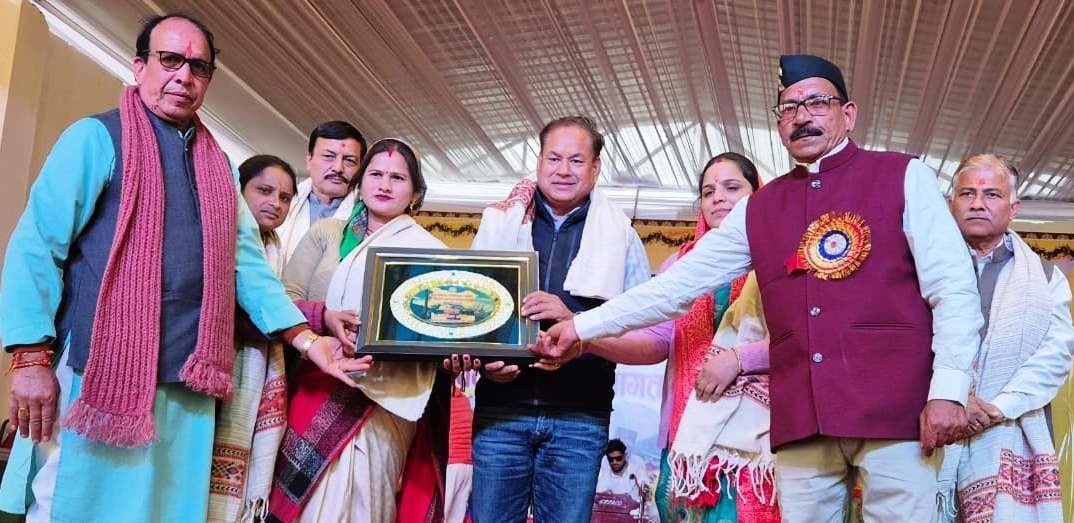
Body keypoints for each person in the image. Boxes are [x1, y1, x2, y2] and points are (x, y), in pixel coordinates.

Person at [538, 55, 983, 522]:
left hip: (895, 407)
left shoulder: (903, 176)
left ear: (848, 114)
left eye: (817, 102)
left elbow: (953, 287)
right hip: (803, 418)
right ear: (778, 125)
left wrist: (949, 390)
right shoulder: (761, 207)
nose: (802, 116)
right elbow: (677, 286)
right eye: (789, 108)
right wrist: (582, 326)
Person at [0, 14, 356, 523]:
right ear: (139, 66)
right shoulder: (96, 138)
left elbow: (247, 269)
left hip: (192, 380)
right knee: (78, 508)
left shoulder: (219, 168)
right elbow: (37, 246)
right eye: (169, 60)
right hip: (100, 374)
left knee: (168, 512)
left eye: (198, 67)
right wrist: (31, 357)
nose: (183, 76)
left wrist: (308, 340)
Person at [445, 115, 651, 522]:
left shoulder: (621, 235)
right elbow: (469, 315)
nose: (563, 170)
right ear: (538, 162)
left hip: (580, 418)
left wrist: (575, 321)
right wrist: (486, 364)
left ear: (596, 168)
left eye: (576, 160)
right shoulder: (500, 222)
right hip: (501, 411)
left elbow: (645, 340)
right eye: (554, 158)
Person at [268, 138, 446, 523]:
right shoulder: (329, 233)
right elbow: (282, 301)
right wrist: (325, 318)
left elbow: (440, 325)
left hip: (387, 396)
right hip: (319, 377)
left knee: (367, 495)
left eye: (398, 178)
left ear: (415, 192)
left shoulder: (432, 250)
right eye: (376, 174)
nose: (385, 184)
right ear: (360, 182)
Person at [937, 154, 1074, 522]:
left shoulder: (1044, 278)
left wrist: (996, 408)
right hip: (930, 422)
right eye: (967, 193)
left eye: (992, 194)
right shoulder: (920, 267)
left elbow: (1055, 355)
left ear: (1013, 208)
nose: (978, 203)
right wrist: (953, 398)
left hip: (1010, 428)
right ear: (951, 204)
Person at [208, 154, 298, 521]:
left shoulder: (276, 251)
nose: (275, 203)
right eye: (264, 191)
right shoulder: (218, 239)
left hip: (251, 376)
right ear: (239, 191)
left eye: (285, 197)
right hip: (213, 373)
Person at [276, 121, 367, 261]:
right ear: (309, 160)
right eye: (329, 157)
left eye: (349, 160)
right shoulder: (279, 204)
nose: (338, 168)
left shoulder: (367, 215)